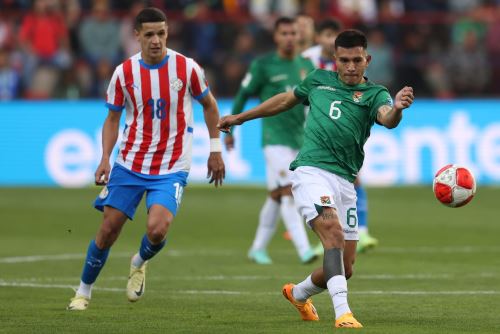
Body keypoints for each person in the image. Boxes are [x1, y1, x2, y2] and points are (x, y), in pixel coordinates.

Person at [218, 29, 414, 329]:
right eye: (344, 60)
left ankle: (297, 294)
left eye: (357, 60)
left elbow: (387, 118)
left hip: (345, 180)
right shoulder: (318, 80)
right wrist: (240, 118)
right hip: (311, 171)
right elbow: (284, 100)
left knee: (345, 267)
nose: (350, 67)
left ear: (367, 60)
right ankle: (343, 313)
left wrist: (398, 108)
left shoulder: (376, 94)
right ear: (334, 59)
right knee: (332, 234)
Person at [67, 7, 225, 311]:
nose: (156, 40)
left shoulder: (187, 68)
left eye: (161, 33)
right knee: (108, 230)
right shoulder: (124, 73)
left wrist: (215, 149)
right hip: (130, 163)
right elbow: (112, 119)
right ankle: (83, 292)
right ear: (136, 35)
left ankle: (139, 261)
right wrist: (105, 158)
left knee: (157, 229)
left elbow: (210, 105)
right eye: (149, 34)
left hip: (173, 165)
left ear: (168, 33)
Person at [224, 17, 317, 265]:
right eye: (284, 33)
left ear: (299, 36)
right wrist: (231, 127)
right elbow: (244, 94)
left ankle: (257, 248)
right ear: (276, 37)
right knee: (288, 191)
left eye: (293, 33)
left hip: (299, 137)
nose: (289, 37)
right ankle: (304, 250)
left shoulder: (307, 65)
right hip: (273, 139)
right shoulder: (263, 65)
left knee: (276, 194)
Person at [303, 19, 379, 253]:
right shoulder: (308, 61)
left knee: (353, 178)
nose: (328, 39)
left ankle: (360, 231)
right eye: (325, 34)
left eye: (331, 35)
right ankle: (324, 237)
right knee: (310, 185)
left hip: (342, 128)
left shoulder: (367, 88)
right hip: (313, 125)